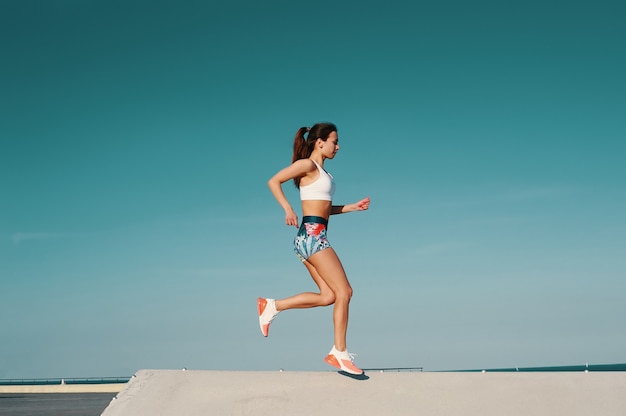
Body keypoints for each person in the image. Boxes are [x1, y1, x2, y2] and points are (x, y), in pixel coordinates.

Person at [258, 122, 370, 375]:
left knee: (328, 296)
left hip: (310, 236)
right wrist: (287, 208)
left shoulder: (324, 174)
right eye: (334, 141)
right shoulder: (308, 165)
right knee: (345, 291)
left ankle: (272, 306)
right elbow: (274, 181)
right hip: (313, 236)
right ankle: (338, 352)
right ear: (320, 142)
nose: (338, 146)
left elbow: (322, 208)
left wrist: (351, 207)